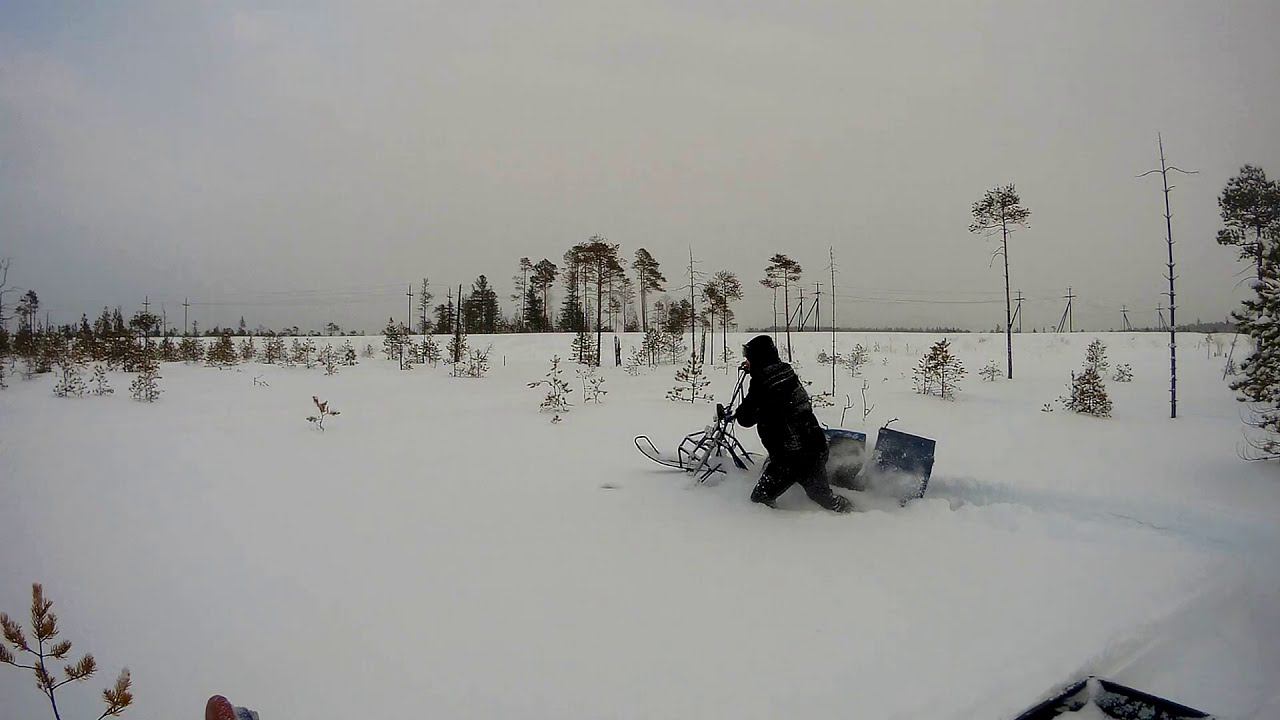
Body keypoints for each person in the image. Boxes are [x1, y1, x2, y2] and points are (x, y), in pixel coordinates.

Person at [734, 334, 852, 513]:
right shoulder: (785, 373)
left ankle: (785, 529)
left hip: (792, 457)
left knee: (760, 498)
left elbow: (745, 419)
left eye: (749, 358)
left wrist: (741, 409)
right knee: (822, 497)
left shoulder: (763, 384)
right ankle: (854, 510)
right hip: (813, 445)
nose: (747, 362)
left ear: (758, 359)